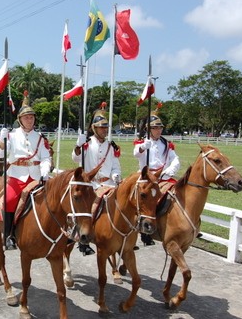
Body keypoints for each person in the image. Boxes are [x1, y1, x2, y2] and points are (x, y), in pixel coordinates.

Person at [0, 96, 52, 250]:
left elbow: (46, 157)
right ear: (20, 119)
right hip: (16, 176)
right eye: (26, 118)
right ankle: (8, 235)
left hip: (36, 176)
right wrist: (2, 141)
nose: (30, 120)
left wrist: (45, 171)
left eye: (32, 117)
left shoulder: (40, 138)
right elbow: (0, 155)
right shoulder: (11, 136)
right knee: (9, 200)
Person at [72, 102, 122, 255]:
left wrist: (116, 175)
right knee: (90, 208)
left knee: (124, 206)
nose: (105, 130)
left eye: (106, 127)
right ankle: (82, 239)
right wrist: (78, 146)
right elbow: (75, 158)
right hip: (91, 185)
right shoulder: (87, 144)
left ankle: (123, 237)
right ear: (94, 128)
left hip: (108, 183)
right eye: (101, 127)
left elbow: (115, 165)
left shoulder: (111, 146)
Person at [133, 106, 180, 246]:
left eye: (160, 128)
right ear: (149, 129)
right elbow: (136, 153)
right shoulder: (142, 143)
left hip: (164, 175)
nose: (158, 130)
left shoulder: (166, 144)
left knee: (180, 193)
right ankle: (143, 230)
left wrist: (169, 171)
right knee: (147, 200)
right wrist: (143, 147)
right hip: (147, 176)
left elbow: (175, 159)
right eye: (155, 128)